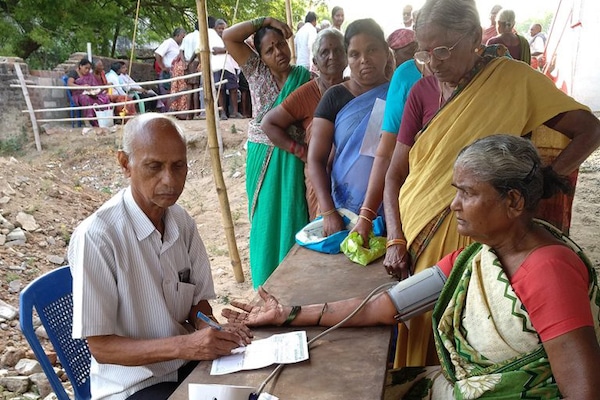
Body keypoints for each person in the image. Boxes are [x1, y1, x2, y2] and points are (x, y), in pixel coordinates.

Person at [222, 134, 600, 399]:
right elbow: (385, 306)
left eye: (467, 192)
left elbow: (583, 393)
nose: (453, 204)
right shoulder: (480, 257)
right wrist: (289, 313)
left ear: (513, 201)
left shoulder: (549, 271)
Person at [381, 0, 600, 370]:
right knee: (417, 325)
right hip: (417, 234)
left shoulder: (515, 80)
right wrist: (395, 237)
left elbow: (589, 130)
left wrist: (545, 181)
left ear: (474, 39)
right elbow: (396, 171)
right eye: (424, 53)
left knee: (470, 335)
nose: (433, 63)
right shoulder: (421, 92)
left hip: (481, 233)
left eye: (443, 50)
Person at [68, 113, 252, 400]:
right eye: (154, 166)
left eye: (178, 166)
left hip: (185, 366)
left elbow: (197, 304)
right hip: (133, 386)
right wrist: (186, 345)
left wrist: (208, 327)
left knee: (257, 387)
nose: (169, 180)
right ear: (125, 164)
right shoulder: (98, 237)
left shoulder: (182, 222)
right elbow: (101, 347)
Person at [222, 17, 311, 288]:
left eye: (281, 44)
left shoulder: (305, 77)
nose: (279, 53)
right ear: (259, 56)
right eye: (269, 50)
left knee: (294, 214)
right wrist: (266, 20)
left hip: (294, 158)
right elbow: (228, 36)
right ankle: (266, 286)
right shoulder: (256, 73)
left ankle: (294, 285)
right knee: (265, 221)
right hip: (263, 159)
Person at [308, 18, 390, 236]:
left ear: (385, 51)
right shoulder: (335, 97)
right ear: (348, 58)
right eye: (355, 54)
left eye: (372, 50)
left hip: (390, 209)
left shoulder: (398, 95)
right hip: (342, 212)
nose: (364, 60)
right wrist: (328, 212)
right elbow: (315, 159)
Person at [261, 28, 347, 220]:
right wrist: (302, 152)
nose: (332, 56)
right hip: (321, 178)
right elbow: (269, 123)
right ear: (315, 62)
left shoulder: (355, 88)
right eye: (325, 52)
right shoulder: (308, 93)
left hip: (352, 177)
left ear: (347, 56)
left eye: (338, 51)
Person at [351, 29, 424, 244]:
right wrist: (366, 216)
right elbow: (385, 153)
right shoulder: (406, 76)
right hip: (416, 196)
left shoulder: (487, 74)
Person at [210, 19, 243, 120]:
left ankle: (235, 112)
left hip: (229, 66)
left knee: (233, 89)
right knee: (220, 90)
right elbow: (214, 50)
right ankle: (223, 112)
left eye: (223, 28)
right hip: (217, 66)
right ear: (215, 29)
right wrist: (227, 49)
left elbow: (235, 48)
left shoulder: (228, 37)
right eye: (219, 28)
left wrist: (225, 50)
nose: (221, 30)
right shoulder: (212, 37)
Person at [65, 58, 111, 127]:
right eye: (85, 68)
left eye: (89, 69)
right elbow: (69, 84)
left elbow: (95, 87)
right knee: (85, 98)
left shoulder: (90, 75)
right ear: (80, 66)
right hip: (78, 95)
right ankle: (88, 120)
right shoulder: (74, 73)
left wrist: (99, 89)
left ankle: (102, 120)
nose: (87, 70)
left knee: (104, 98)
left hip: (90, 94)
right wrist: (82, 87)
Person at [154, 28, 186, 106]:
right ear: (177, 35)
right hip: (168, 73)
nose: (183, 39)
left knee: (177, 94)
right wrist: (163, 67)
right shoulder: (169, 42)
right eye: (182, 37)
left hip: (177, 73)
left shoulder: (180, 46)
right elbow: (158, 53)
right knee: (169, 94)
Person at [177, 22, 201, 119]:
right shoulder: (200, 36)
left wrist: (184, 62)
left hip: (186, 62)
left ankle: (188, 114)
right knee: (195, 89)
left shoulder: (187, 37)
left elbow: (181, 51)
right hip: (195, 62)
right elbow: (197, 51)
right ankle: (195, 113)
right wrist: (190, 62)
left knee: (189, 89)